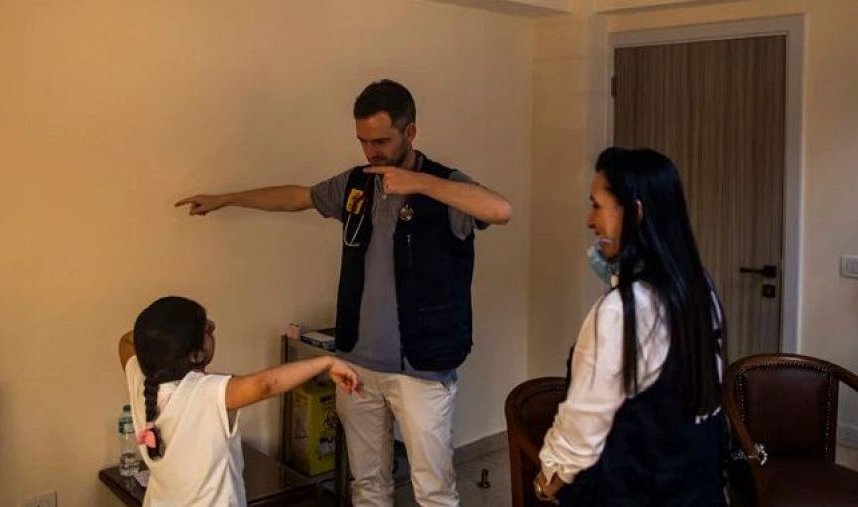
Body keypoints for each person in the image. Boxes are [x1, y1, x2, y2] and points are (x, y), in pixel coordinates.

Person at [175, 79, 512, 506]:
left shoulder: (447, 185)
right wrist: (226, 199)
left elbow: (501, 210)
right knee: (367, 485)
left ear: (411, 132)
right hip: (355, 365)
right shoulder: (356, 185)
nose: (372, 152)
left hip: (423, 368)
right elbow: (298, 197)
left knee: (434, 489)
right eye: (363, 141)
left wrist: (420, 183)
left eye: (382, 141)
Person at [534, 147, 727, 505]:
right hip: (698, 489)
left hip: (636, 492)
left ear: (635, 213)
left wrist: (548, 479)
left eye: (596, 205)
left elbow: (583, 426)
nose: (590, 221)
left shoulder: (622, 310)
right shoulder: (702, 287)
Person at [118, 295, 360, 506]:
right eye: (206, 330)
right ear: (196, 355)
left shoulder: (142, 384)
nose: (213, 327)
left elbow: (125, 342)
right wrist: (325, 362)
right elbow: (266, 384)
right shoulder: (206, 393)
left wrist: (159, 337)